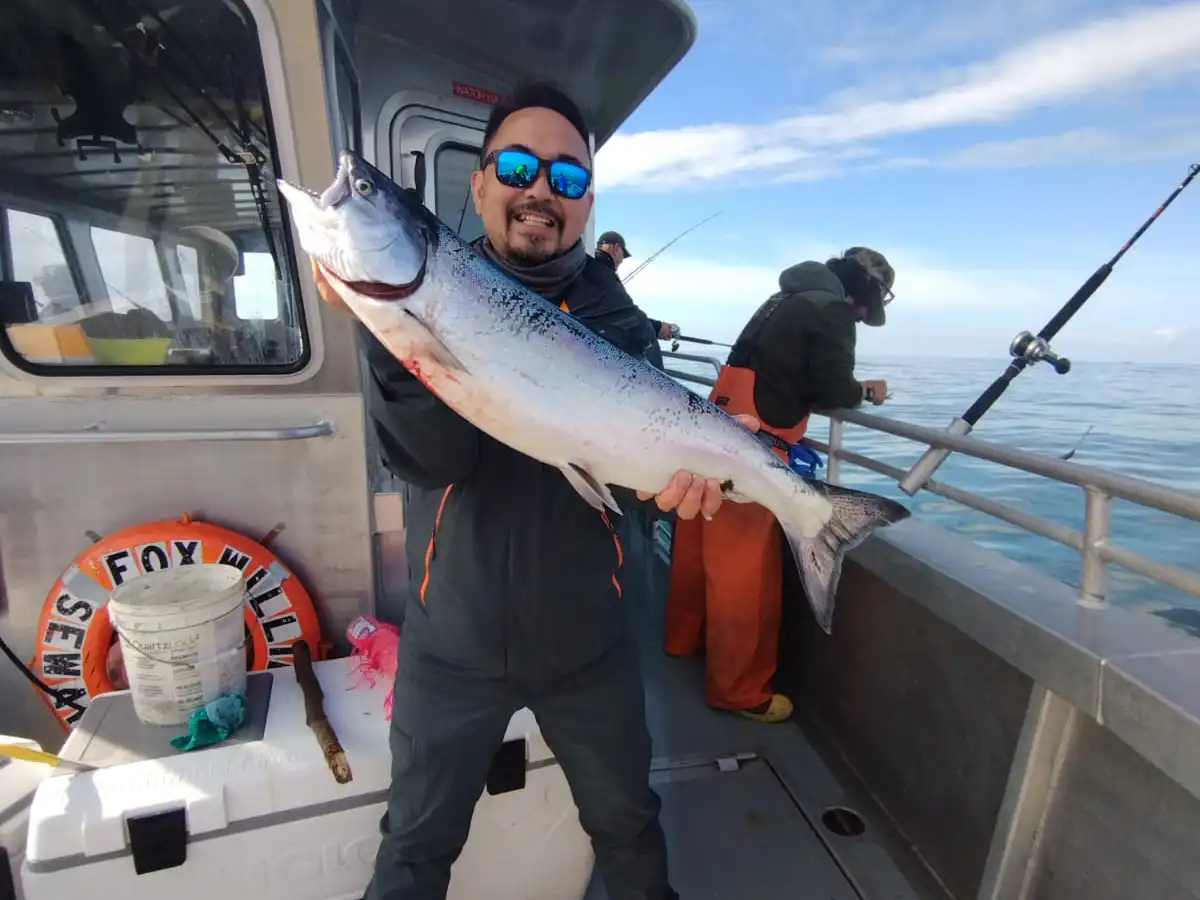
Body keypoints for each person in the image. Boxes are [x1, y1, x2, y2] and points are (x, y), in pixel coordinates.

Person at [310, 82, 759, 900]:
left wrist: (674, 488)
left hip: (590, 648)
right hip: (454, 643)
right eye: (517, 165)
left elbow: (629, 476)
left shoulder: (620, 325)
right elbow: (432, 460)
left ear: (586, 205)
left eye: (568, 176)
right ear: (479, 185)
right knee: (411, 849)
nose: (540, 189)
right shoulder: (440, 294)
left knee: (629, 832)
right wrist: (390, 334)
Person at [663, 247, 896, 724]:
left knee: (695, 544)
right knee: (743, 573)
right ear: (861, 294)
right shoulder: (832, 309)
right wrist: (866, 390)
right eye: (865, 309)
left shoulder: (782, 298)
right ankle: (739, 689)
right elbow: (832, 388)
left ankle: (683, 639)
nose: (860, 315)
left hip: (712, 430)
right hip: (754, 447)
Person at [596, 230, 679, 341]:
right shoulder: (605, 275)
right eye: (623, 255)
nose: (621, 261)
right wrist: (658, 327)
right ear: (616, 248)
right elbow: (625, 316)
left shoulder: (590, 268)